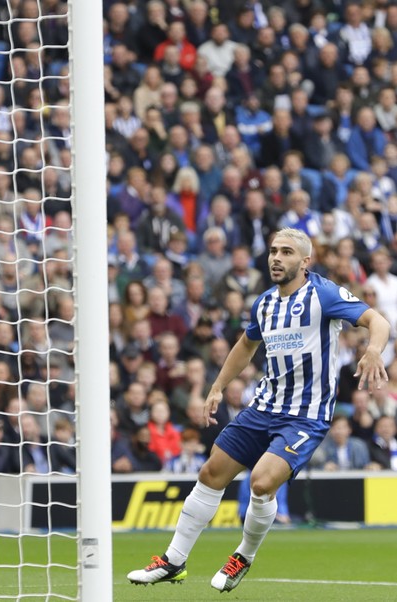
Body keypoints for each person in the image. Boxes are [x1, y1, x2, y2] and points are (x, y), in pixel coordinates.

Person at [128, 228, 390, 592]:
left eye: (286, 252)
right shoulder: (265, 302)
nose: (276, 258)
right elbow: (245, 345)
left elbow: (378, 321)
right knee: (210, 473)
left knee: (261, 481)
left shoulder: (323, 294)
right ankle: (173, 561)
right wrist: (217, 386)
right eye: (273, 251)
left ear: (304, 261)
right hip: (264, 406)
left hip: (306, 414)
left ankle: (243, 556)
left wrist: (374, 349)